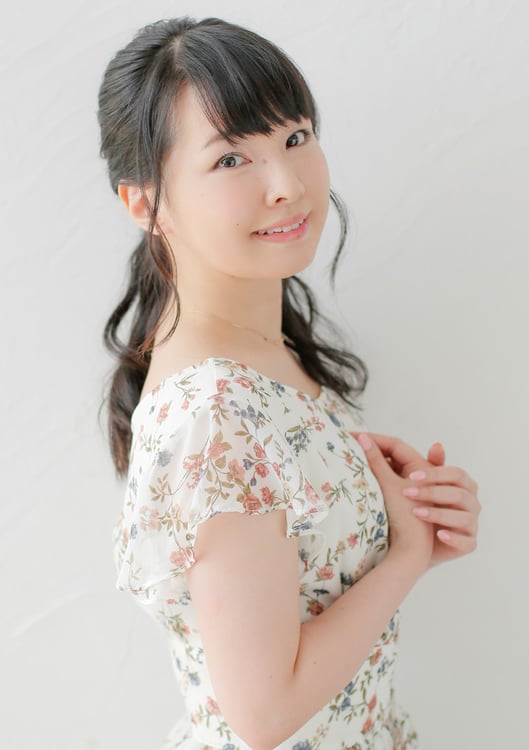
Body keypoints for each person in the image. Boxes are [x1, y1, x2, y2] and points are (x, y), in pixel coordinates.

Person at [98, 16, 480, 750]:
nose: (287, 185)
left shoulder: (263, 354)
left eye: (296, 137)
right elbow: (265, 714)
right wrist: (403, 558)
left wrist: (405, 523)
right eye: (230, 159)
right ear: (144, 203)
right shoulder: (213, 411)